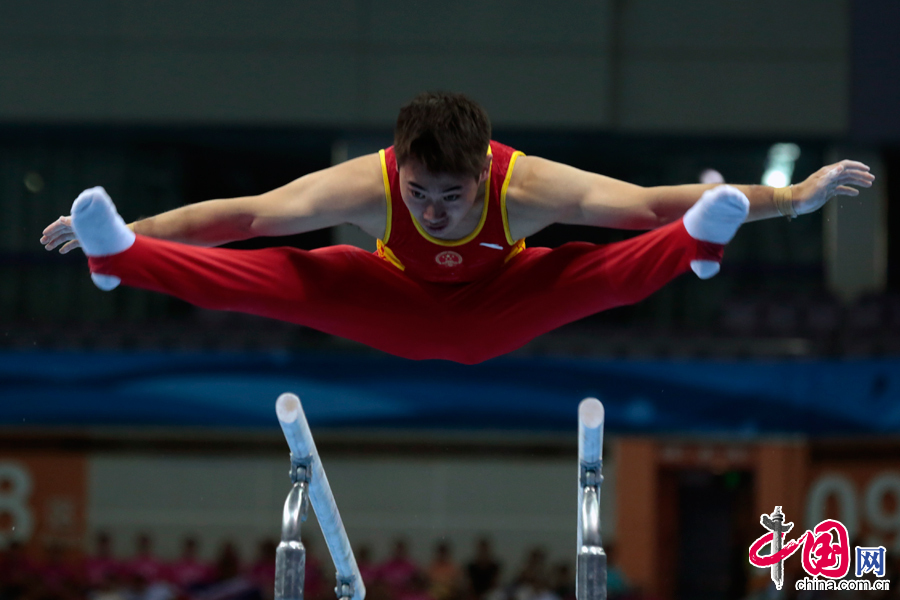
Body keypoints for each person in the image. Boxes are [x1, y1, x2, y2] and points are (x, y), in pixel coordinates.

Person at [40, 92, 874, 364]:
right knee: (298, 273)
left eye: (449, 196)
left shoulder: (529, 184)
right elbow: (249, 217)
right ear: (398, 168)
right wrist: (141, 228)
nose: (431, 211)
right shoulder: (369, 184)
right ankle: (126, 259)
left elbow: (645, 203)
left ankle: (704, 239)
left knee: (599, 262)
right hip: (393, 302)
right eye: (418, 194)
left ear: (484, 173)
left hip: (503, 306)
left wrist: (796, 198)